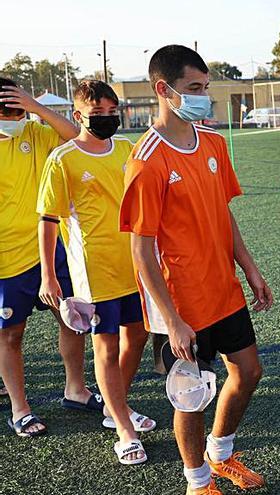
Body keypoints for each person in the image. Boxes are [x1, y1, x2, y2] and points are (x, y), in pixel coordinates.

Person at [120, 45, 274, 495]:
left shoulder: (213, 142)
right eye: (193, 88)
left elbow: (222, 212)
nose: (203, 96)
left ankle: (221, 455)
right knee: (191, 397)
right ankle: (197, 482)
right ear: (163, 90)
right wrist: (171, 321)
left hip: (222, 290)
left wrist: (249, 268)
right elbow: (142, 250)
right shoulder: (146, 160)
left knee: (248, 372)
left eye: (205, 87)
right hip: (180, 304)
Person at [36, 80, 155, 464]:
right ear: (78, 116)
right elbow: (48, 220)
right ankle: (123, 428)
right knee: (105, 347)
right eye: (97, 113)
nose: (106, 119)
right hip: (94, 272)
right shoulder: (63, 159)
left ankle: (114, 405)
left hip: (134, 266)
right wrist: (48, 276)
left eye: (111, 112)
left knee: (135, 337)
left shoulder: (126, 149)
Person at [0, 77, 100, 438]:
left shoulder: (34, 132)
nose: (13, 116)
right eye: (6, 110)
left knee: (71, 317)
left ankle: (76, 389)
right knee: (11, 336)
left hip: (52, 249)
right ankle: (20, 409)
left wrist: (36, 108)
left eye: (16, 108)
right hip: (7, 260)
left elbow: (77, 138)